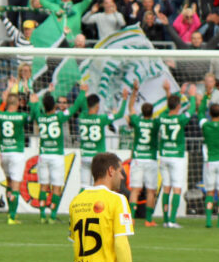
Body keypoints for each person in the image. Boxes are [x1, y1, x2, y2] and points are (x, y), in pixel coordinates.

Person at [36, 89, 86, 224]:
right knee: (56, 187)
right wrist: (81, 93)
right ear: (55, 106)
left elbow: (34, 105)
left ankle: (41, 215)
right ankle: (52, 215)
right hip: (56, 156)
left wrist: (44, 94)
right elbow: (75, 107)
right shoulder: (59, 117)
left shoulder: (40, 117)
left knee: (43, 186)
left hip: (43, 155)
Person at [0, 81, 37, 225]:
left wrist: (1, 99)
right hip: (17, 153)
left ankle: (10, 212)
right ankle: (12, 216)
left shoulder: (0, 115)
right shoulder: (21, 116)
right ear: (17, 104)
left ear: (6, 103)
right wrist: (32, 99)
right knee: (16, 185)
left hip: (4, 154)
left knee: (9, 183)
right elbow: (33, 116)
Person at [75, 87, 129, 190]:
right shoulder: (101, 119)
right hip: (98, 158)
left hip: (85, 156)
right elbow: (120, 114)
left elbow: (81, 106)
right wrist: (125, 99)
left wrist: (83, 94)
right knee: (99, 187)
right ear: (97, 106)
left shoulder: (81, 117)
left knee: (84, 186)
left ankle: (81, 205)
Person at [156, 84, 193, 229]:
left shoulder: (161, 117)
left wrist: (168, 93)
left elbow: (168, 109)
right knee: (177, 188)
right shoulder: (181, 119)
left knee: (166, 187)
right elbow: (191, 109)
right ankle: (172, 220)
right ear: (178, 106)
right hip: (176, 156)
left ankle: (165, 220)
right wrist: (193, 96)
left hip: (164, 155)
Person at [195, 92, 219, 229]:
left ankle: (209, 220)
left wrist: (205, 96)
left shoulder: (205, 125)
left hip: (210, 161)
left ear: (209, 114)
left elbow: (199, 113)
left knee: (210, 192)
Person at [126, 91, 160, 227]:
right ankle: (148, 219)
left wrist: (134, 92)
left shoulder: (137, 121)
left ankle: (132, 218)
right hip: (150, 159)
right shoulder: (156, 123)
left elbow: (130, 108)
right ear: (152, 113)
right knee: (151, 191)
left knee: (135, 190)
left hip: (138, 159)